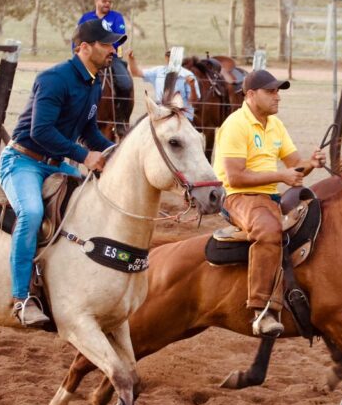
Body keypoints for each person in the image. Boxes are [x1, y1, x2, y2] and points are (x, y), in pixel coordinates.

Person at [0, 19, 117, 326]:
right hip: (23, 160)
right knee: (32, 213)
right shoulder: (54, 79)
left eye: (113, 44)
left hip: (54, 163)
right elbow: (40, 131)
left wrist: (113, 152)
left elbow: (89, 130)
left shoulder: (94, 83)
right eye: (106, 44)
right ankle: (21, 298)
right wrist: (83, 156)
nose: (113, 50)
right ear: (83, 47)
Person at [213, 69, 326, 337]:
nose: (278, 97)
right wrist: (281, 176)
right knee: (268, 231)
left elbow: (294, 166)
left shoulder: (275, 124)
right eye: (271, 92)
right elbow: (235, 177)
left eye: (278, 91)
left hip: (269, 195)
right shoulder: (235, 124)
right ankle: (262, 310)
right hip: (237, 196)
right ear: (251, 95)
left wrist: (310, 163)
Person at [77, 0, 132, 119]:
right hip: (87, 59)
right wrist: (78, 52)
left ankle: (121, 119)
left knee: (125, 83)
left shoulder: (116, 17)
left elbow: (119, 37)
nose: (107, 3)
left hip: (111, 58)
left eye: (109, 1)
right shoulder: (86, 18)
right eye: (104, 1)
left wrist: (104, 51)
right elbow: (77, 37)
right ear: (96, 1)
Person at [126, 49, 201, 121]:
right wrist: (131, 59)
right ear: (166, 58)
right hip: (162, 115)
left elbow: (194, 102)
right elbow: (136, 73)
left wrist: (192, 86)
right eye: (170, 56)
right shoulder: (158, 71)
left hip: (182, 117)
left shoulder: (187, 75)